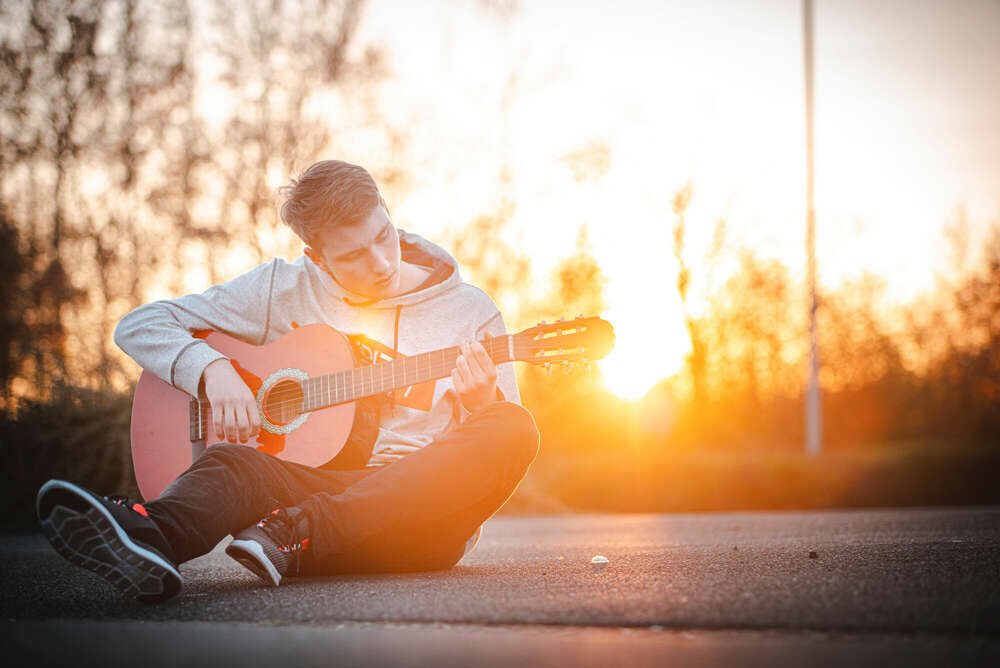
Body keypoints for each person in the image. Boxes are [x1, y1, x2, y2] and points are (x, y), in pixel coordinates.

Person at [36, 160, 540, 602]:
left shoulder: (471, 311)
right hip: (293, 528)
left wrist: (476, 405)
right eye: (353, 256)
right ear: (317, 257)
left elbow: (493, 452)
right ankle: (152, 539)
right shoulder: (284, 286)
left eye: (383, 236)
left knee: (513, 427)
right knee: (233, 461)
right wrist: (213, 371)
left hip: (421, 523)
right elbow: (140, 325)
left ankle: (301, 533)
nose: (382, 263)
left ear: (387, 211)